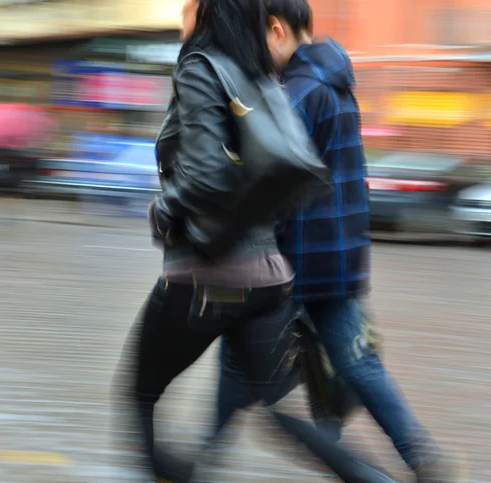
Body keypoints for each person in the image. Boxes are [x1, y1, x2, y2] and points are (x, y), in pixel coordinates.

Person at [115, 0, 404, 481]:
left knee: (139, 396)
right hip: (267, 281)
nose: (181, 11)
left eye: (189, 4)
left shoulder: (199, 66)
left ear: (210, 12)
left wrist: (162, 213)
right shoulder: (260, 73)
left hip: (203, 278)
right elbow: (287, 173)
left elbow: (206, 176)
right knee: (282, 411)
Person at [217, 1, 464, 481]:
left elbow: (268, 182)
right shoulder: (335, 82)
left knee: (238, 368)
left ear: (275, 30)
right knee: (357, 366)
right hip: (339, 256)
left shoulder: (298, 92)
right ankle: (419, 458)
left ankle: (195, 461)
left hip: (296, 259)